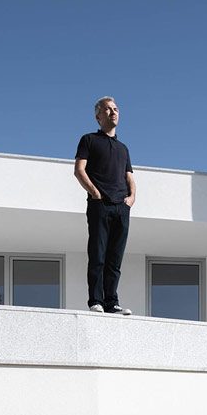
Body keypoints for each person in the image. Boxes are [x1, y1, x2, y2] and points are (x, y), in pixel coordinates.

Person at [74, 96, 136, 315]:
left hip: (122, 207)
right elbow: (79, 169)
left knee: (115, 258)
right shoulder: (89, 140)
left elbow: (129, 177)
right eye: (107, 109)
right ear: (98, 116)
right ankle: (96, 301)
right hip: (100, 204)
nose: (113, 112)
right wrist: (94, 192)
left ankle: (112, 302)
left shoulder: (123, 148)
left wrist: (131, 199)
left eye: (116, 109)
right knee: (98, 255)